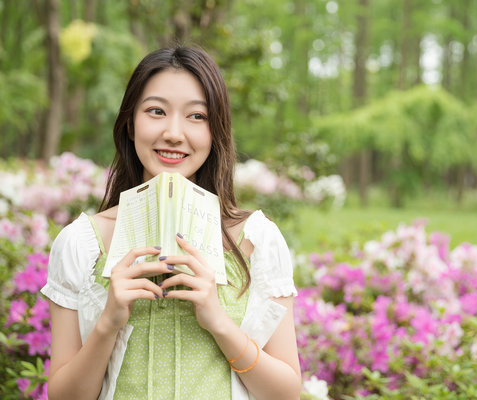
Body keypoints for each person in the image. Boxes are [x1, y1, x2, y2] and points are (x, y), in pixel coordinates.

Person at [41, 46, 302, 400]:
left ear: (216, 131)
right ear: (130, 124)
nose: (174, 133)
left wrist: (219, 321)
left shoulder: (256, 239)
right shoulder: (81, 243)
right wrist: (108, 323)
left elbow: (286, 393)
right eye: (156, 111)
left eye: (197, 116)